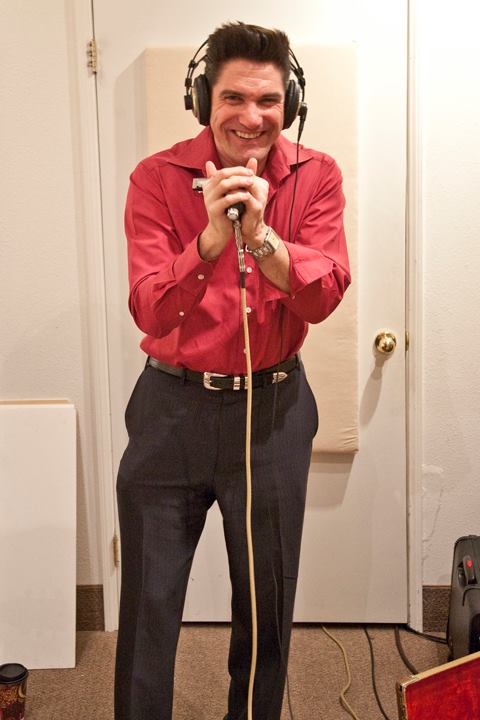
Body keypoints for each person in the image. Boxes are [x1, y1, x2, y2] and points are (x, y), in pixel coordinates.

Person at [115, 21, 350, 720]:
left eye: (269, 100)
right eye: (234, 98)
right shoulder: (156, 179)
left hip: (273, 412)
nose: (252, 117)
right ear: (203, 100)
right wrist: (211, 241)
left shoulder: (316, 176)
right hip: (170, 413)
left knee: (266, 601)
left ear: (290, 103)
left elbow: (323, 297)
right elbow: (149, 308)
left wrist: (262, 238)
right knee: (150, 601)